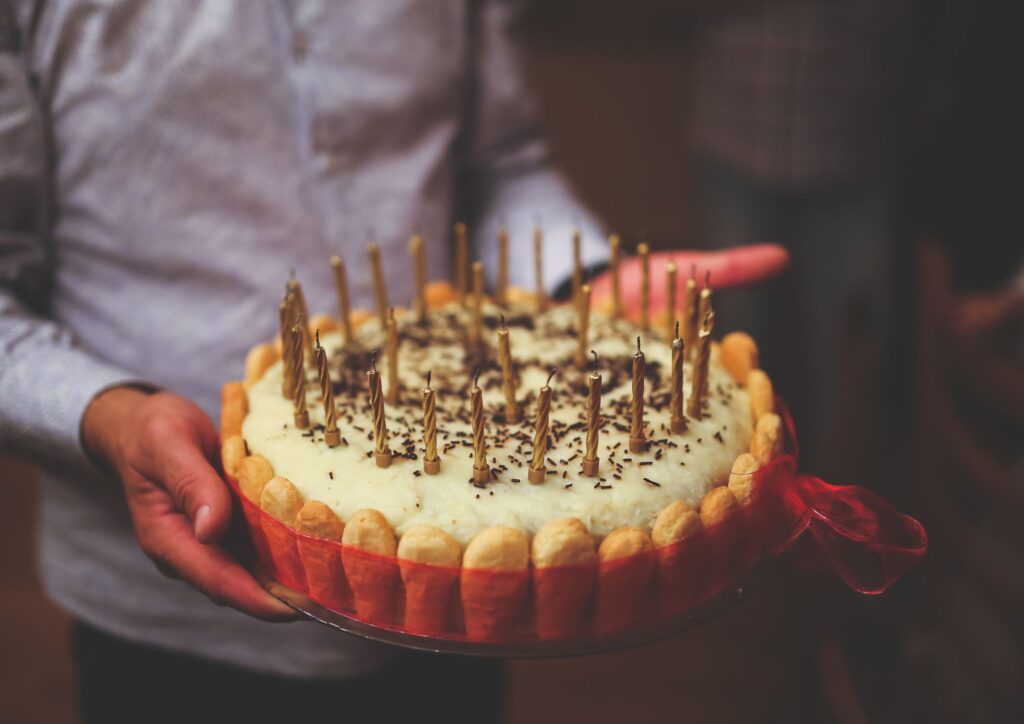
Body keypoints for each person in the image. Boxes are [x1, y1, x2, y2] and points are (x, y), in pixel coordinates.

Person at [0, 3, 786, 722]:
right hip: (164, 624)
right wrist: (110, 415)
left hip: (477, 584)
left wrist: (583, 285)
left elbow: (504, 162)